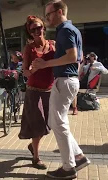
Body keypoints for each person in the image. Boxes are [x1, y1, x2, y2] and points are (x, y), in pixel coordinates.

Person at [33, 1, 90, 178]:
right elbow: (78, 56)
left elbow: (73, 56)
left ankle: (68, 167)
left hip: (65, 80)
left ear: (59, 12)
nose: (47, 17)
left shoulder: (65, 30)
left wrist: (45, 64)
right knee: (58, 122)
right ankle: (78, 156)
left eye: (49, 14)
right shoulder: (71, 30)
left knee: (58, 123)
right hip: (69, 80)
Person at [19, 15, 55, 170]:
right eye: (33, 29)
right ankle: (36, 158)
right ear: (30, 32)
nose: (36, 31)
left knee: (48, 124)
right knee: (38, 124)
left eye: (39, 27)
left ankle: (33, 146)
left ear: (44, 28)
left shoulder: (53, 45)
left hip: (50, 90)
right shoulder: (29, 48)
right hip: (34, 91)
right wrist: (33, 69)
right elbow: (25, 72)